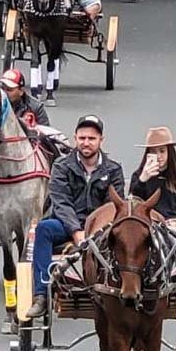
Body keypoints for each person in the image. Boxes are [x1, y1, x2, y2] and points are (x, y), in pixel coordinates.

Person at [27, 115, 125, 318]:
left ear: (101, 140)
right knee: (43, 229)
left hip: (101, 229)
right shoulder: (62, 166)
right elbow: (61, 202)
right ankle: (41, 295)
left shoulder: (114, 170)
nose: (86, 143)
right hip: (67, 224)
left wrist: (94, 232)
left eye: (91, 138)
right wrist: (76, 231)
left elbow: (113, 206)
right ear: (75, 139)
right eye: (82, 138)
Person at [130, 127, 176, 231]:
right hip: (147, 224)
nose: (159, 156)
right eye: (154, 152)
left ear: (169, 153)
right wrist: (142, 180)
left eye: (162, 151)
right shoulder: (138, 176)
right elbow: (132, 204)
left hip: (174, 227)